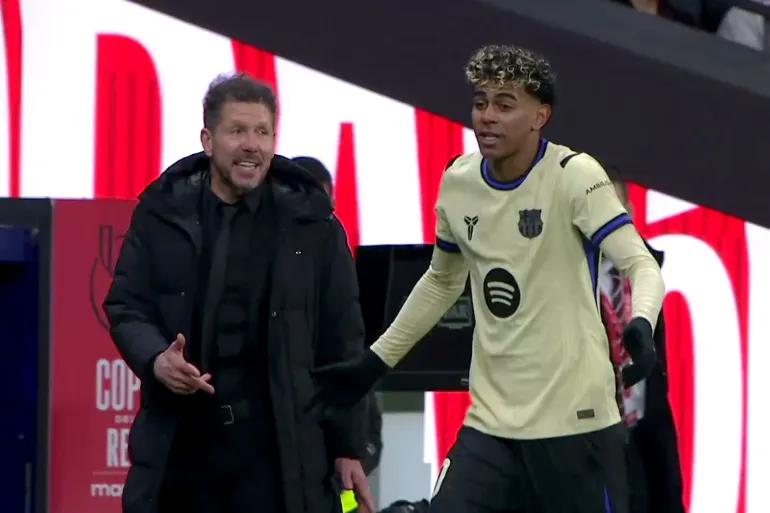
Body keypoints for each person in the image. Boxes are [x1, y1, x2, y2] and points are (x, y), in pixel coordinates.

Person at [311, 44, 666, 513]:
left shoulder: (574, 176)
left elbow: (642, 264)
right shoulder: (458, 181)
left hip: (577, 429)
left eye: (504, 104)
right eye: (480, 103)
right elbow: (441, 282)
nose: (487, 117)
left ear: (540, 116)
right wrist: (373, 364)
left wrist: (642, 323)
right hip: (490, 428)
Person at [102, 72, 375, 513]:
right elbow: (127, 305)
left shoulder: (313, 226)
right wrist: (156, 359)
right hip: (183, 451)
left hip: (278, 456)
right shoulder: (161, 214)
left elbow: (342, 342)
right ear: (208, 141)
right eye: (238, 131)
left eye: (262, 132)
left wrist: (348, 446)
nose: (252, 145)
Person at [291, 154, 385, 513]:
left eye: (325, 202)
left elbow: (350, 360)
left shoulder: (338, 266)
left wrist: (352, 453)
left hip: (334, 466)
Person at [601, 170, 685, 513]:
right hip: (590, 441)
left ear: (630, 211)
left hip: (642, 434)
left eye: (615, 207)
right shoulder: (567, 276)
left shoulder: (646, 273)